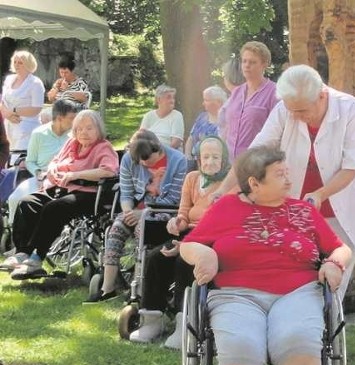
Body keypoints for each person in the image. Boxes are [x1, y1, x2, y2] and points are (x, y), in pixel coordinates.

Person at [179, 145, 352, 365]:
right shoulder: (226, 207)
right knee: (241, 345)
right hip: (236, 295)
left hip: (297, 291)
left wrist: (333, 263)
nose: (289, 178)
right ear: (253, 184)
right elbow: (189, 243)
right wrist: (206, 255)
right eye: (279, 174)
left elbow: (339, 247)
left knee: (298, 339)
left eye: (287, 171)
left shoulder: (303, 210)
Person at [246, 64, 355, 295]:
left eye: (302, 111)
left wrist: (320, 194)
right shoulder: (286, 110)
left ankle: (328, 326)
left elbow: (352, 167)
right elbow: (255, 152)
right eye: (292, 110)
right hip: (295, 211)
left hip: (340, 213)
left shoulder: (350, 109)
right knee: (295, 279)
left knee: (332, 283)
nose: (296, 117)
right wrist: (228, 187)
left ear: (322, 96)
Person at [5, 110, 119, 279]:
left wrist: (76, 175)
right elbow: (55, 162)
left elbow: (108, 171)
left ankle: (37, 257)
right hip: (60, 188)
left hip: (88, 194)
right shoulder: (71, 144)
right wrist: (51, 171)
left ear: (98, 129)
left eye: (89, 128)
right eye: (79, 129)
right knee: (27, 202)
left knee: (54, 208)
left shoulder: (103, 147)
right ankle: (22, 252)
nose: (83, 133)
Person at [86, 130, 186, 318]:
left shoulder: (178, 161)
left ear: (158, 151)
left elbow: (174, 200)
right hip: (135, 210)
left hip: (164, 214)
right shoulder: (128, 159)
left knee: (142, 230)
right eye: (139, 160)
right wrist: (128, 212)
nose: (142, 164)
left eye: (147, 161)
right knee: (116, 229)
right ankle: (108, 288)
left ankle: (142, 288)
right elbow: (126, 193)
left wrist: (141, 214)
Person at [153, 136, 238, 349]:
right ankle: (152, 316)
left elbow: (225, 220)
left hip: (214, 236)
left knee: (184, 261)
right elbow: (184, 212)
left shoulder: (230, 182)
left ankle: (185, 324)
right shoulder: (192, 178)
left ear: (224, 159)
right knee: (156, 256)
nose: (209, 162)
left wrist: (187, 245)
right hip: (190, 232)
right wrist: (177, 223)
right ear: (198, 159)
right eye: (205, 157)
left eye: (215, 157)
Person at [6, 100, 79, 224]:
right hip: (40, 176)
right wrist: (38, 173)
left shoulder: (75, 135)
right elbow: (30, 161)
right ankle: (14, 231)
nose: (75, 122)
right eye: (72, 118)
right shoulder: (39, 133)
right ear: (60, 118)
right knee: (14, 198)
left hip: (65, 179)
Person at [222, 41, 278, 158]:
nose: (247, 65)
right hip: (229, 162)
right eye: (244, 61)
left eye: (252, 62)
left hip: (256, 162)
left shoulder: (274, 93)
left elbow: (277, 132)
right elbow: (227, 127)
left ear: (264, 64)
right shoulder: (236, 92)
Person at [0, 50, 46, 150]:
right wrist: (8, 115)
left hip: (27, 128)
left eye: (20, 62)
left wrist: (14, 111)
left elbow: (36, 108)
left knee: (20, 160)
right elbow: (2, 101)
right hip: (8, 126)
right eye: (15, 62)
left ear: (28, 64)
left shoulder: (35, 83)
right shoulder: (9, 79)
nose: (17, 65)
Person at [184, 86, 227, 159]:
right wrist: (188, 156)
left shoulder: (226, 121)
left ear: (218, 102)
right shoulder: (201, 117)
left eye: (206, 100)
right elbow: (190, 139)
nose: (203, 103)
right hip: (195, 160)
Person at [140, 85, 185, 149]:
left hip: (169, 153)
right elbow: (140, 136)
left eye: (173, 98)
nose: (172, 100)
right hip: (148, 152)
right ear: (159, 99)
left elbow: (176, 142)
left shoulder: (176, 115)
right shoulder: (149, 116)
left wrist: (159, 153)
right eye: (168, 97)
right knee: (128, 155)